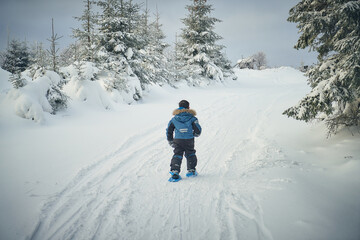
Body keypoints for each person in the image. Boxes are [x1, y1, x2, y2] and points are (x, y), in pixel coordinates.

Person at [166, 100, 202, 180]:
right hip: (189, 139)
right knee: (190, 153)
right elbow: (198, 130)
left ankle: (175, 171)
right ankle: (191, 170)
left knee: (177, 154)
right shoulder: (192, 118)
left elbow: (169, 130)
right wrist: (195, 134)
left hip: (178, 140)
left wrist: (170, 140)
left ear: (179, 107)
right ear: (188, 107)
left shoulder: (174, 119)